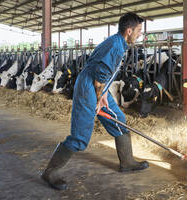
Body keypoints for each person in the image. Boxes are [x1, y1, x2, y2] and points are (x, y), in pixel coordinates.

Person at [41, 12, 149, 191]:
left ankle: (127, 162)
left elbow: (103, 75)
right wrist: (99, 98)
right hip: (88, 88)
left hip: (97, 86)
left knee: (119, 119)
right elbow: (98, 79)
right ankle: (50, 172)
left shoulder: (118, 43)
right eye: (138, 31)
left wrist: (105, 94)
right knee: (80, 137)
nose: (139, 34)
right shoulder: (115, 46)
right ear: (129, 31)